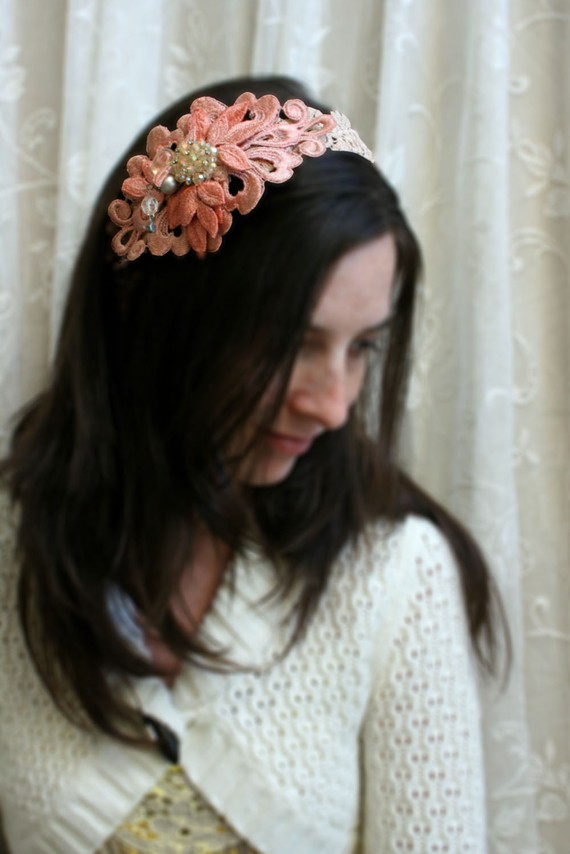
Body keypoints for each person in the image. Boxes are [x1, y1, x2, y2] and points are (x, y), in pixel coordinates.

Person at [0, 75, 506, 853]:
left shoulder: (397, 576)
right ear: (157, 313)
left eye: (362, 348)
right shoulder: (16, 547)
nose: (334, 406)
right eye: (294, 344)